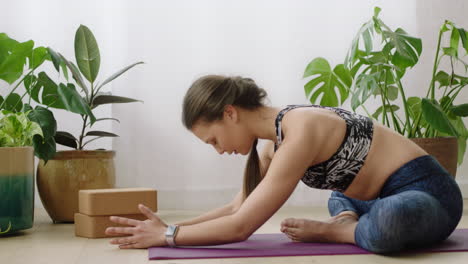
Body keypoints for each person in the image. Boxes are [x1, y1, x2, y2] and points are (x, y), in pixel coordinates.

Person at [106, 75, 463, 253]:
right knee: (343, 198)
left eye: (213, 139)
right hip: (367, 196)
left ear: (229, 113)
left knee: (390, 220)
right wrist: (172, 225)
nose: (217, 150)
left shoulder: (300, 129)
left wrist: (168, 238)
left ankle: (337, 229)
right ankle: (349, 218)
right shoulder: (271, 146)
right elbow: (238, 207)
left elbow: (241, 227)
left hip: (426, 193)